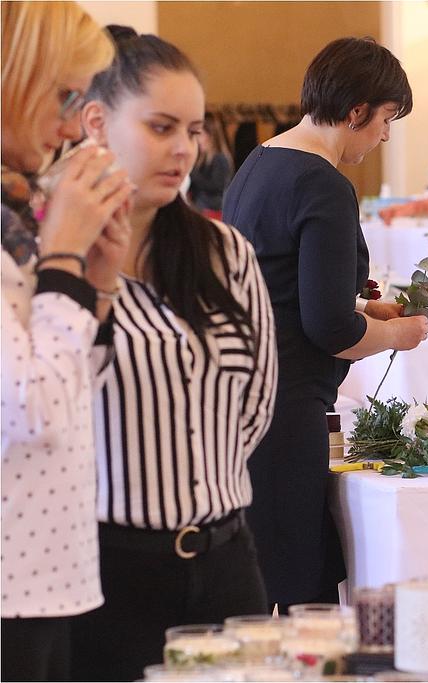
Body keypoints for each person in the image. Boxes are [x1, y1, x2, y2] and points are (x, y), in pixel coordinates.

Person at [68, 27, 278, 681]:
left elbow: (257, 397)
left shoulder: (224, 252)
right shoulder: (56, 256)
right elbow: (49, 405)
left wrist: (201, 474)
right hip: (108, 570)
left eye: (192, 130)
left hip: (227, 558)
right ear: (96, 123)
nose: (183, 149)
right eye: (161, 128)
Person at [223, 37, 428, 612]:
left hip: (242, 394)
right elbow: (329, 330)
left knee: (264, 573)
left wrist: (364, 310)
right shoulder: (323, 183)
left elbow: (279, 289)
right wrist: (400, 334)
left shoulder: (258, 162)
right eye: (386, 119)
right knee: (295, 588)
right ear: (357, 111)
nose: (385, 135)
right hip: (287, 404)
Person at [1, 5, 132, 680]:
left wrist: (96, 283)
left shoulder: (17, 211)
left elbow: (79, 389)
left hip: (50, 570)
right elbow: (32, 410)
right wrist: (63, 262)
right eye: (62, 95)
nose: (72, 124)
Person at [188, 111, 233, 214]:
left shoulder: (220, 159)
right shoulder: (203, 159)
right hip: (201, 208)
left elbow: (216, 186)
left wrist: (192, 173)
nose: (197, 140)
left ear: (211, 135)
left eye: (200, 135)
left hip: (213, 211)